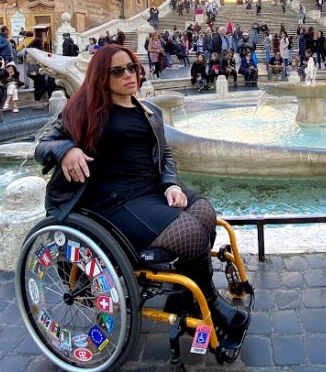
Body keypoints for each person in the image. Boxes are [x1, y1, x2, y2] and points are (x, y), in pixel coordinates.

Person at [35, 44, 249, 342]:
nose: (128, 75)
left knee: (205, 213)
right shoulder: (85, 109)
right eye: (117, 71)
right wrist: (65, 149)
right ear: (101, 77)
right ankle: (210, 303)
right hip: (112, 201)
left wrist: (171, 184)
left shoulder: (150, 111)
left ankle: (185, 293)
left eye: (132, 67)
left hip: (150, 190)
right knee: (190, 234)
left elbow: (166, 156)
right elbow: (44, 143)